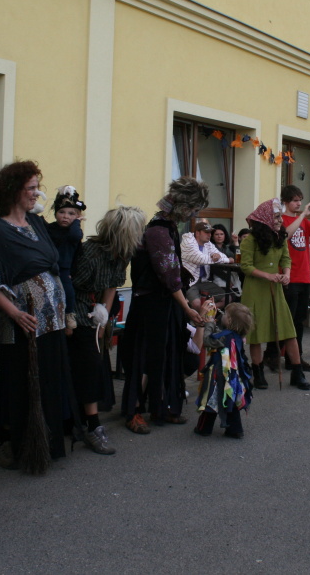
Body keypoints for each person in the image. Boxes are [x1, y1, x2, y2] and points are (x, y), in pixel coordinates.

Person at [0, 161, 77, 473]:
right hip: (23, 324)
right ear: (13, 191)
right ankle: (14, 444)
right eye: (31, 188)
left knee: (48, 382)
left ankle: (46, 443)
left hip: (51, 321)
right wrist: (15, 313)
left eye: (38, 187)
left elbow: (59, 253)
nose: (36, 193)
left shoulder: (36, 222)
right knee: (21, 385)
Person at [120, 177, 209, 434]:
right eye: (193, 209)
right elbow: (168, 276)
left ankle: (161, 406)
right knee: (144, 358)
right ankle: (134, 410)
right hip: (150, 307)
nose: (194, 215)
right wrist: (187, 308)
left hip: (164, 304)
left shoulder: (168, 228)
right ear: (183, 206)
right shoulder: (158, 232)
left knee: (167, 356)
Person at [69, 205, 146, 454]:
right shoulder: (90, 254)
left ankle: (85, 422)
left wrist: (102, 320)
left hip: (96, 314)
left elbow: (112, 286)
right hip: (77, 312)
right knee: (87, 367)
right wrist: (75, 319)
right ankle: (91, 426)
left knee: (94, 367)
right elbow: (71, 287)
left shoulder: (122, 255)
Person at [239, 198, 310, 391]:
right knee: (256, 334)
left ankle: (297, 373)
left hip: (276, 289)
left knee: (288, 330)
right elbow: (246, 267)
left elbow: (286, 259)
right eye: (277, 217)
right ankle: (258, 372)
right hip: (255, 290)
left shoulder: (280, 238)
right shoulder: (250, 240)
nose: (280, 220)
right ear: (265, 218)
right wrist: (268, 275)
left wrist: (286, 275)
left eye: (280, 216)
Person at [270, 185, 310, 371]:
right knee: (285, 319)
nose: (299, 203)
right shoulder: (281, 220)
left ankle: (294, 358)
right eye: (295, 200)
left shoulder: (304, 222)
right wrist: (303, 215)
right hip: (289, 276)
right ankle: (272, 355)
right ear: (286, 201)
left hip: (304, 276)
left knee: (299, 320)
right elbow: (285, 235)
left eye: (300, 200)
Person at [193, 300, 254, 438]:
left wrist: (209, 324)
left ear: (230, 320)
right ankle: (235, 430)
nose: (222, 315)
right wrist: (213, 325)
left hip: (218, 375)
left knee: (211, 399)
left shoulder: (225, 337)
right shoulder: (237, 336)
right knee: (230, 401)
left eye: (225, 314)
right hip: (233, 376)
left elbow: (208, 340)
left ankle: (204, 428)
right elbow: (219, 335)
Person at [45, 185, 86, 330]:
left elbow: (75, 236)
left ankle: (69, 314)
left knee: (68, 291)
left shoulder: (74, 231)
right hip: (48, 267)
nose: (66, 216)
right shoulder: (50, 228)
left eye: (71, 214)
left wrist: (77, 222)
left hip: (65, 268)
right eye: (61, 212)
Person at [180, 221, 230, 308]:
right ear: (197, 233)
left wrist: (218, 256)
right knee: (197, 303)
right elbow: (201, 259)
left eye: (210, 232)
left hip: (204, 281)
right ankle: (203, 314)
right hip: (189, 281)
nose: (209, 235)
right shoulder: (188, 242)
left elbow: (222, 256)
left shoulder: (208, 243)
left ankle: (207, 312)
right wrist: (228, 260)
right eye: (206, 232)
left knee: (227, 299)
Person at [209, 224, 241, 300]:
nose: (219, 236)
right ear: (212, 236)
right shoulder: (210, 247)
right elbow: (213, 267)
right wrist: (227, 279)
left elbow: (238, 259)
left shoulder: (227, 247)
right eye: (216, 234)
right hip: (218, 278)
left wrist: (236, 242)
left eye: (221, 234)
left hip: (231, 276)